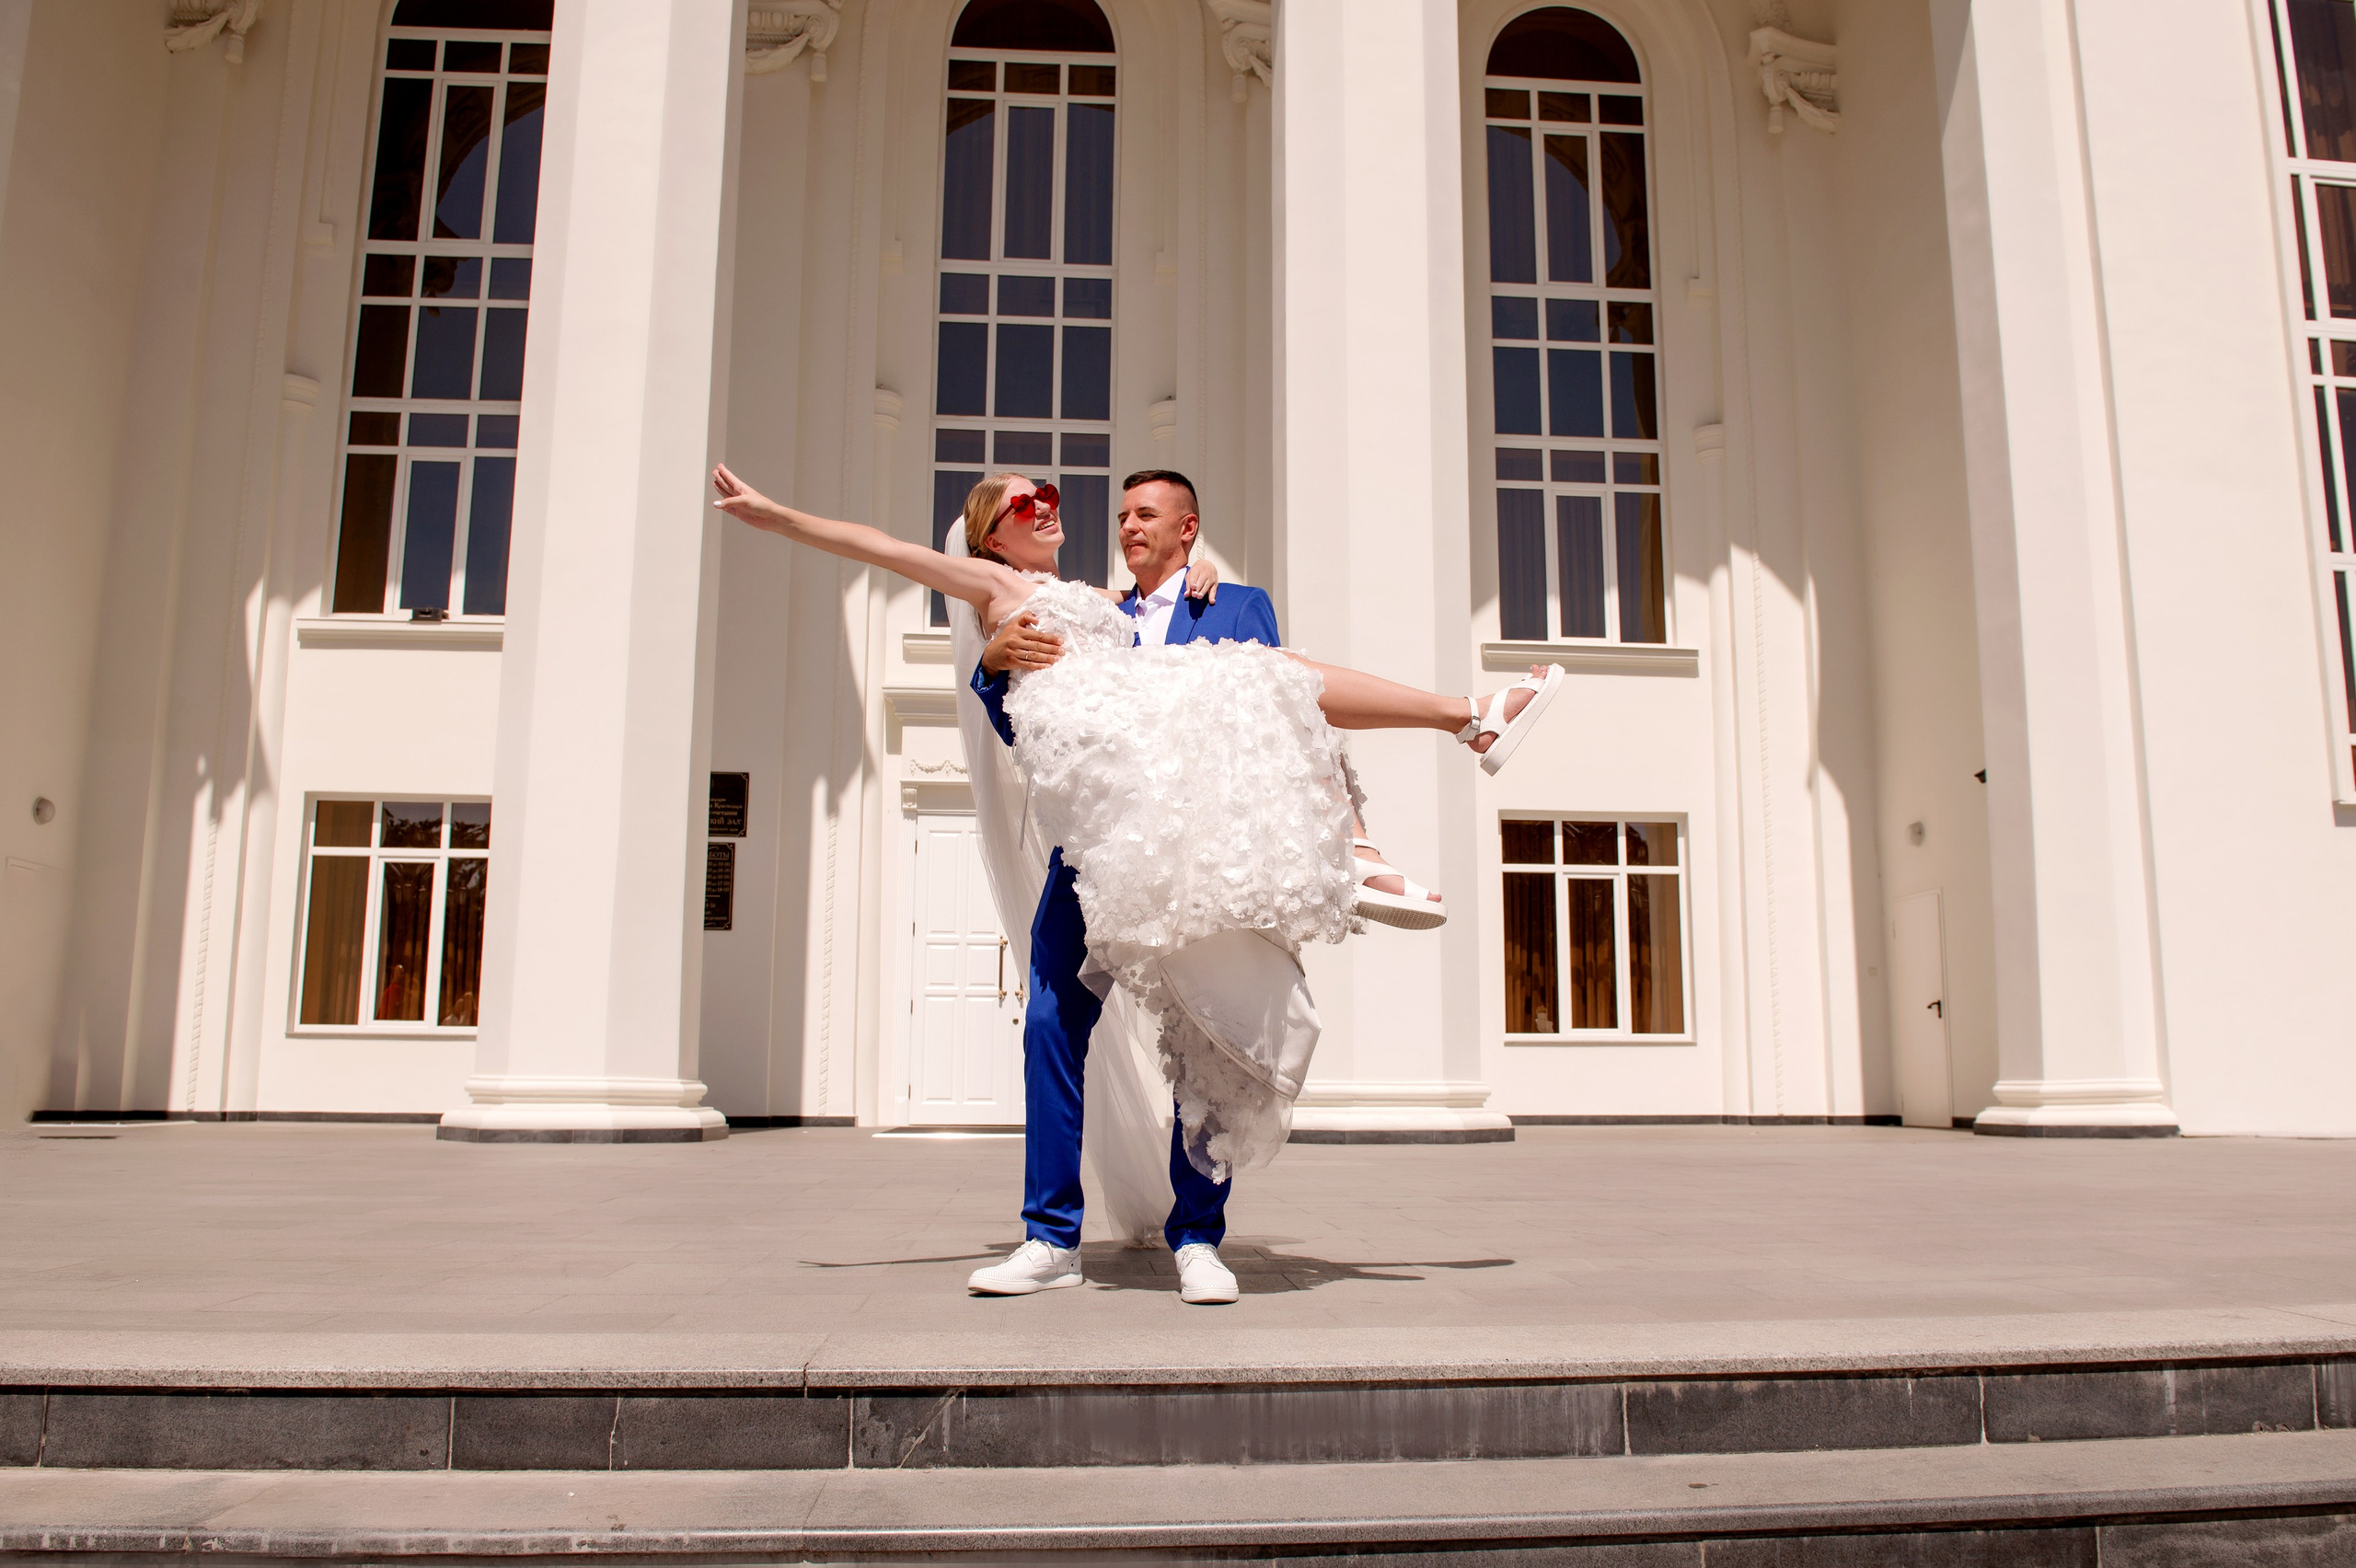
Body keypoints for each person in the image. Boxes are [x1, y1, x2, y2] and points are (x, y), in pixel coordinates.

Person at [708, 463, 1563, 1304]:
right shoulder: (998, 590)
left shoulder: (1148, 603)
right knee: (1051, 1019)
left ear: (1185, 529)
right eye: (1025, 500)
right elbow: (887, 553)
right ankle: (1049, 1238)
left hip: (1178, 835)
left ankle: (1198, 1238)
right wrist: (784, 518)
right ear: (987, 531)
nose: (1057, 507)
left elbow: (1233, 692)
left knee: (1212, 1023)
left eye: (1053, 496)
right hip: (1094, 839)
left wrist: (1191, 583)